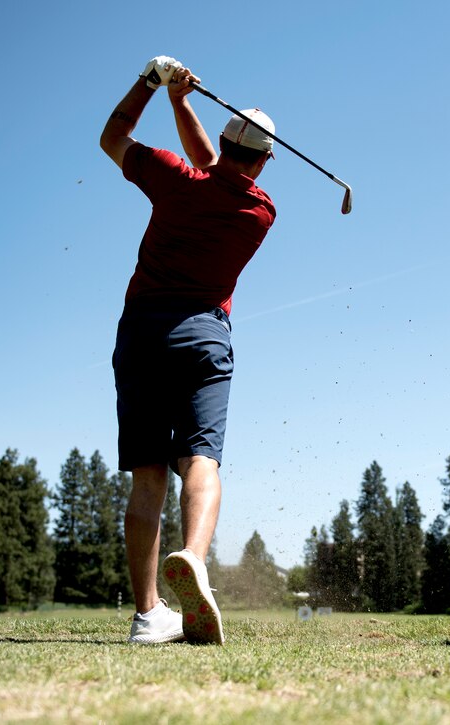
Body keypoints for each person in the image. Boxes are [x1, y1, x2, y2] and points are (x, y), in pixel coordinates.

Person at [99, 56, 277, 644]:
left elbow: (113, 137)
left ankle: (148, 615)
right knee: (201, 460)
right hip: (204, 337)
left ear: (226, 140)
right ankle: (194, 558)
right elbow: (221, 172)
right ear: (265, 161)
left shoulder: (175, 178)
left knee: (148, 477)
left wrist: (155, 86)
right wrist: (184, 104)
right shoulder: (259, 211)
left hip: (143, 333)